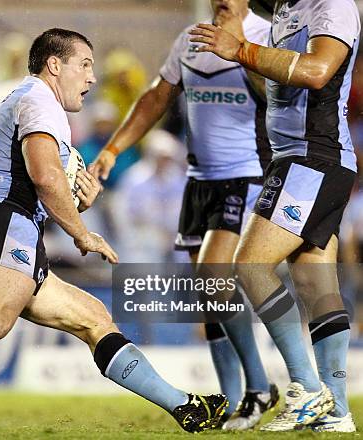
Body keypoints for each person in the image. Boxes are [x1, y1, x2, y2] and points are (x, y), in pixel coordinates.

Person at [0, 28, 227, 433]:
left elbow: (50, 180)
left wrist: (78, 199)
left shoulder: (22, 100)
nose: (92, 78)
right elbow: (45, 176)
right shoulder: (40, 100)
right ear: (55, 65)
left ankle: (185, 407)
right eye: (84, 65)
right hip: (6, 219)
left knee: (94, 319)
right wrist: (81, 231)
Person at [92, 0, 277, 430]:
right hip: (198, 182)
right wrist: (114, 148)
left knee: (216, 276)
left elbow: (280, 100)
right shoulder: (191, 39)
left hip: (247, 175)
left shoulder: (267, 35)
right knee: (208, 298)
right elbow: (157, 95)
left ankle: (259, 387)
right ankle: (234, 402)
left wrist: (242, 50)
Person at [190, 0, 360, 432]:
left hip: (314, 157)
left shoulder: (331, 5)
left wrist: (242, 50)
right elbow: (280, 89)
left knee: (248, 265)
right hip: (296, 159)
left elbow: (317, 70)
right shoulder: (287, 8)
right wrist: (242, 45)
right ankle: (337, 410)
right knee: (315, 284)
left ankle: (305, 388)